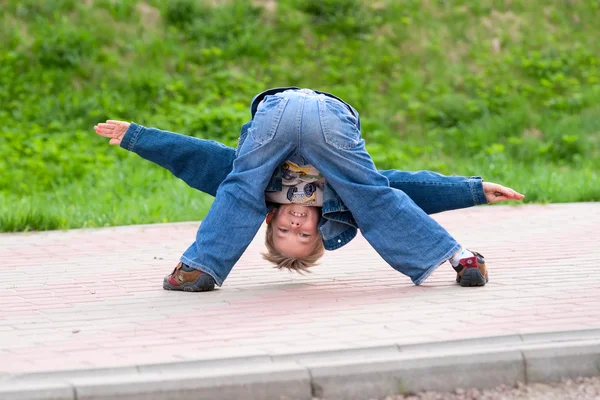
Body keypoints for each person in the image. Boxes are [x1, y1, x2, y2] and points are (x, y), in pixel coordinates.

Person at [94, 87, 524, 292]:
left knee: (237, 185)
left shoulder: (262, 195)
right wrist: (472, 189)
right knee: (373, 194)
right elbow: (406, 188)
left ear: (271, 219)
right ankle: (461, 258)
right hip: (332, 120)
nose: (297, 223)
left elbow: (197, 156)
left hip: (274, 115)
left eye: (286, 232)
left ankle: (198, 268)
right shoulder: (342, 200)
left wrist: (139, 137)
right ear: (325, 228)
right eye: (304, 235)